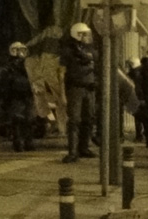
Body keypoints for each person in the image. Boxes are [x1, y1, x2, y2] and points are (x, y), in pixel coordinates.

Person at [61, 22, 97, 163]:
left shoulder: (89, 50)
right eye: (84, 34)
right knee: (74, 120)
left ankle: (84, 148)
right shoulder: (68, 51)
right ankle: (73, 152)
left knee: (88, 119)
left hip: (89, 88)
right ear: (78, 35)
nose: (87, 37)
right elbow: (62, 72)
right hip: (75, 88)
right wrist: (62, 93)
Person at [0, 42, 36, 152]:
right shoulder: (10, 66)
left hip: (27, 94)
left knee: (29, 119)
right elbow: (5, 83)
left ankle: (28, 142)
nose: (22, 53)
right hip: (16, 95)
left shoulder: (28, 64)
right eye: (20, 50)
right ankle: (19, 142)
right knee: (18, 119)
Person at [126, 56, 148, 147]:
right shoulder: (144, 72)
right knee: (147, 120)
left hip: (139, 98)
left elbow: (137, 87)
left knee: (139, 118)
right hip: (145, 99)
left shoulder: (134, 74)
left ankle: (140, 136)